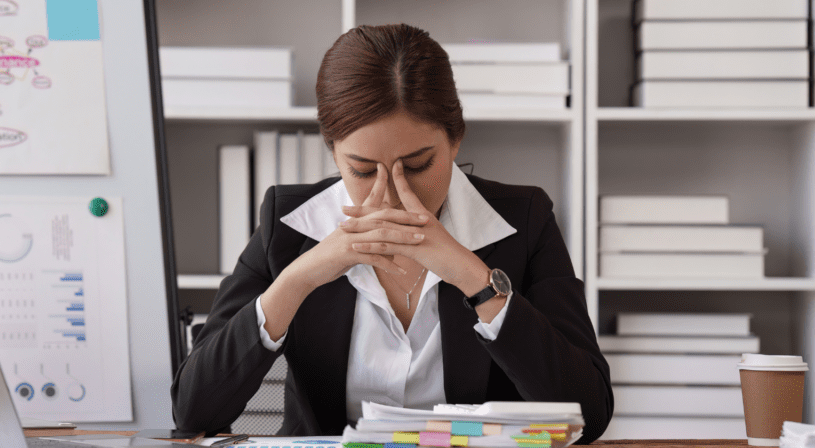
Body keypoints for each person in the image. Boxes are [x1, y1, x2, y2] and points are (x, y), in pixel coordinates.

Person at [171, 23, 613, 443]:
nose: (392, 194)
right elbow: (193, 413)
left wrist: (474, 279)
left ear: (456, 138)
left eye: (418, 166)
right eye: (362, 171)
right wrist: (299, 279)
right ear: (333, 151)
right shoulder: (287, 224)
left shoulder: (525, 220)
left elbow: (589, 414)